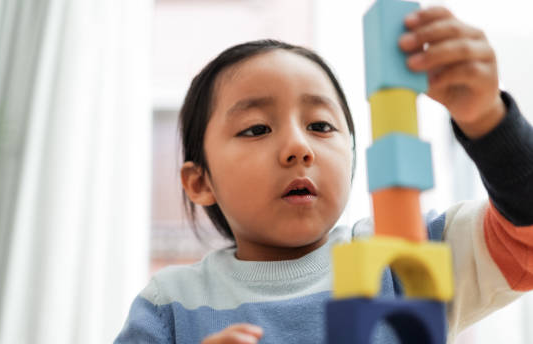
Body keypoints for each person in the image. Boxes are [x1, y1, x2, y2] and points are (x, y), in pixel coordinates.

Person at [115, 6, 533, 344]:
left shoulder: (406, 254)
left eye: (320, 126)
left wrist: (489, 122)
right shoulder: (170, 304)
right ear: (199, 182)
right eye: (257, 129)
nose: (300, 147)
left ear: (352, 154)